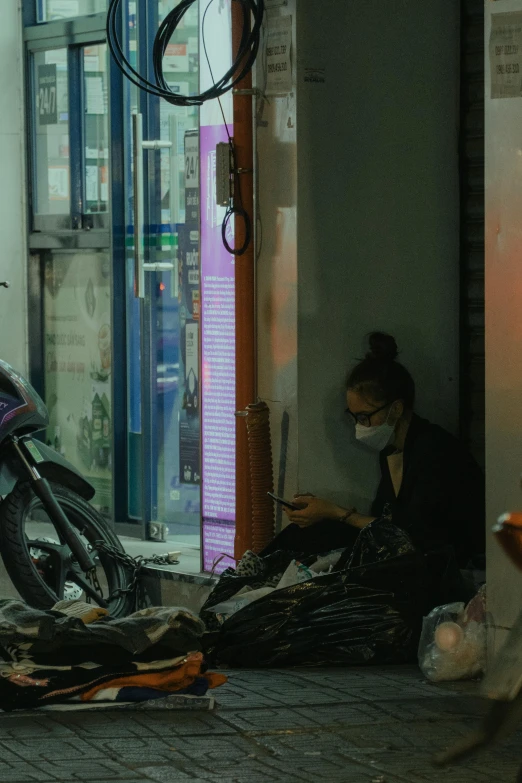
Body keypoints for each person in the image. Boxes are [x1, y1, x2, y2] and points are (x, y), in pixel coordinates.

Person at [261, 332, 485, 568]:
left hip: (442, 561)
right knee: (304, 536)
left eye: (365, 417)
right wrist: (324, 513)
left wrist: (336, 512)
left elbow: (410, 535)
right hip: (405, 551)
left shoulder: (435, 452)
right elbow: (382, 521)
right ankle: (253, 577)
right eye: (355, 418)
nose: (360, 427)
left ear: (396, 409)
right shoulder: (391, 449)